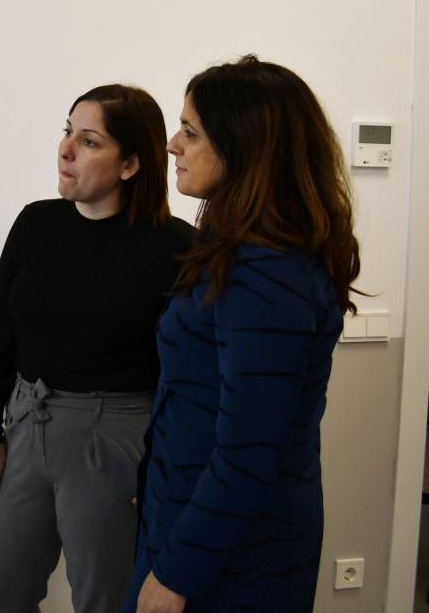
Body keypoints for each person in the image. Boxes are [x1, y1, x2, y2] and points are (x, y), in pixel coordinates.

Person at [125, 55, 361, 613]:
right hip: (195, 518)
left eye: (190, 132)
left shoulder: (267, 273)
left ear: (244, 148)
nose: (172, 146)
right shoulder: (234, 252)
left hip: (235, 555)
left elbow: (249, 451)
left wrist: (177, 574)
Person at [0, 84, 195, 613]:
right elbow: (0, 331)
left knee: (103, 596)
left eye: (89, 141)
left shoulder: (177, 247)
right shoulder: (36, 222)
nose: (66, 150)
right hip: (28, 419)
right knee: (3, 588)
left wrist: (163, 466)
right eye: (67, 132)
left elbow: (186, 373)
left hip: (114, 433)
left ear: (130, 164)